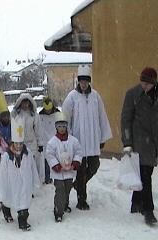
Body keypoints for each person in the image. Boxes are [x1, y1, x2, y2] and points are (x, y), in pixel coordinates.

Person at [62, 65, 112, 210]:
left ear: (89, 82)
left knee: (94, 165)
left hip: (92, 139)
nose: (83, 84)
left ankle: (78, 185)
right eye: (81, 81)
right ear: (78, 82)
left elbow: (102, 117)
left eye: (86, 81)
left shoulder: (95, 96)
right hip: (78, 139)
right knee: (81, 169)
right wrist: (67, 137)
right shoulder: (72, 97)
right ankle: (81, 200)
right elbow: (66, 117)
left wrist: (102, 138)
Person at [121, 67, 158, 225]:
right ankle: (148, 211)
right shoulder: (132, 94)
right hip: (140, 141)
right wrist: (127, 142)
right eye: (142, 82)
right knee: (145, 175)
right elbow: (125, 120)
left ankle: (136, 203)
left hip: (155, 141)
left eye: (148, 84)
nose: (144, 86)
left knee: (144, 173)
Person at [0, 115, 40, 231]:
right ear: (12, 143)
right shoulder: (7, 156)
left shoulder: (28, 154)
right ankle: (6, 211)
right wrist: (2, 192)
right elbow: (2, 175)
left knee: (24, 203)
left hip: (25, 183)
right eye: (16, 143)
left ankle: (23, 220)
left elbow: (33, 168)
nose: (18, 146)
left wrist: (35, 183)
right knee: (9, 199)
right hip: (11, 183)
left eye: (20, 144)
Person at [46, 112, 82, 222]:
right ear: (56, 127)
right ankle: (58, 211)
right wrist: (56, 166)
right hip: (58, 173)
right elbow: (49, 155)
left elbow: (78, 152)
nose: (62, 129)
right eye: (59, 126)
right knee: (60, 190)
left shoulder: (73, 141)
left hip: (69, 171)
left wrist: (75, 163)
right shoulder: (52, 142)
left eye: (64, 126)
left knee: (67, 188)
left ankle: (64, 204)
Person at [11, 93, 44, 182]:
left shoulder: (34, 115)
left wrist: (40, 143)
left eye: (26, 103)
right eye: (23, 103)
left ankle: (31, 185)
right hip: (19, 144)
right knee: (20, 166)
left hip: (31, 144)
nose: (25, 105)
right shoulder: (15, 114)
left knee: (30, 166)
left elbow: (38, 129)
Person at [39, 96, 60, 184]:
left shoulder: (58, 114)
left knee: (57, 158)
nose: (48, 111)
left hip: (56, 139)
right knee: (46, 160)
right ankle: (48, 178)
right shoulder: (40, 116)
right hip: (45, 141)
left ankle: (58, 176)